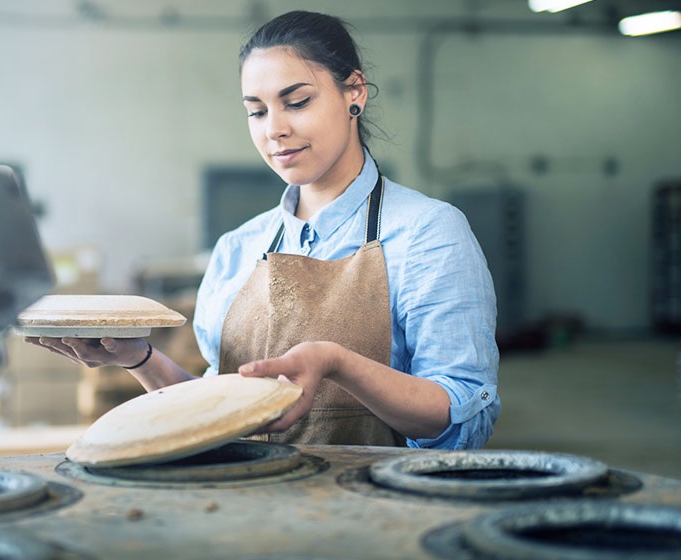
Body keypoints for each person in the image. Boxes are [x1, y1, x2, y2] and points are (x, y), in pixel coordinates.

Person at [27, 10, 499, 449]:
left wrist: (339, 365)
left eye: (296, 102)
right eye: (257, 111)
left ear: (354, 92)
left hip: (379, 517)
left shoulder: (427, 234)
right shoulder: (238, 249)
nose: (275, 129)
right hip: (250, 513)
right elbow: (221, 412)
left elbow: (464, 420)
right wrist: (138, 358)